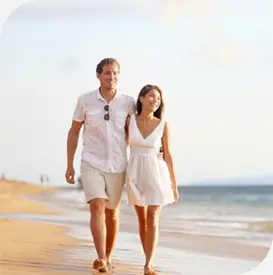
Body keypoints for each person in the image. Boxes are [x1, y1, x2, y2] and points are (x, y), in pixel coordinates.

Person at [65, 57, 135, 273]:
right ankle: (101, 258)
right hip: (91, 161)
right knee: (97, 205)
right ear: (98, 75)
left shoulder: (128, 102)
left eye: (115, 73)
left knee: (112, 214)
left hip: (118, 165)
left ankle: (109, 256)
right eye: (107, 73)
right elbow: (74, 132)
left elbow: (134, 133)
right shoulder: (85, 100)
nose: (111, 77)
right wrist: (69, 165)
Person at [125, 84, 179, 275]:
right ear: (141, 98)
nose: (155, 101)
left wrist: (174, 183)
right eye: (151, 97)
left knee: (153, 217)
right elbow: (120, 145)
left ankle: (149, 264)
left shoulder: (163, 125)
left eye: (158, 98)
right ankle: (148, 257)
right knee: (142, 219)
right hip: (135, 172)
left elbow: (168, 155)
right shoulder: (129, 121)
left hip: (157, 172)